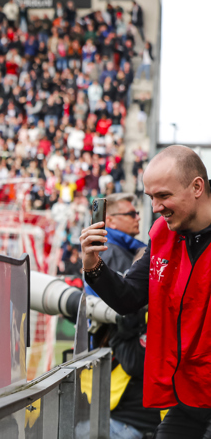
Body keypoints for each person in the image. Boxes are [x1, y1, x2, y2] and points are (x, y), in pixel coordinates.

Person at [81, 145, 211, 438]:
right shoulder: (162, 236)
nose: (155, 208)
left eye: (164, 196)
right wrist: (94, 266)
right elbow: (129, 298)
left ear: (197, 187)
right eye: (151, 198)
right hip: (188, 397)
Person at [82, 193, 160, 438]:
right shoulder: (113, 252)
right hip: (123, 380)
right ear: (111, 221)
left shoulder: (125, 249)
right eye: (131, 213)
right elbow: (125, 305)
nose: (138, 217)